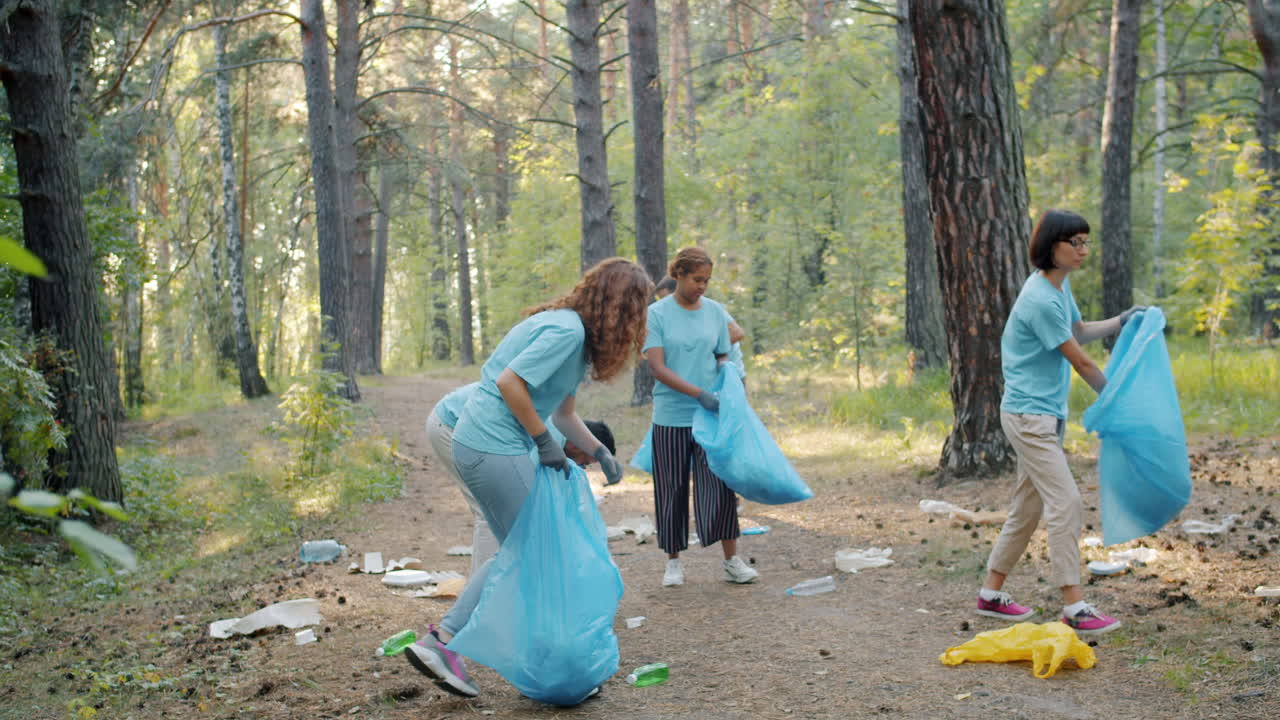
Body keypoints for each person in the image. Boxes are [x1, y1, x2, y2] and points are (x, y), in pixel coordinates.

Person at [404, 257, 652, 698]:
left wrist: (598, 451)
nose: (637, 325)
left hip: (494, 443)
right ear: (620, 308)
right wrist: (544, 442)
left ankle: (537, 663)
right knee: (523, 550)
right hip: (492, 444)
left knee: (521, 552)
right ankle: (442, 642)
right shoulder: (566, 332)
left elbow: (565, 412)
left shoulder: (575, 338)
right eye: (637, 312)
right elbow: (509, 383)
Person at [975, 209, 1144, 636]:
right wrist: (1118, 401)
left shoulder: (1056, 288)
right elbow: (1081, 361)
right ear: (1054, 246)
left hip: (1043, 413)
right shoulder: (1040, 299)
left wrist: (1123, 320)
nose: (1084, 250)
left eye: (1087, 241)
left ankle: (991, 594)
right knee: (1065, 502)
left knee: (1028, 507)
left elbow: (1080, 331)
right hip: (1029, 417)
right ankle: (1074, 605)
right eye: (1077, 242)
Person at [645, 247, 757, 587]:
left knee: (719, 487)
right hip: (670, 415)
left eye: (707, 280)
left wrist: (729, 382)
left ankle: (731, 560)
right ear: (678, 274)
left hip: (711, 416)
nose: (702, 286)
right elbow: (657, 367)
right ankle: (673, 563)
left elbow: (723, 354)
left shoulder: (715, 312)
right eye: (696, 279)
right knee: (671, 488)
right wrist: (698, 394)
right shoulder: (657, 314)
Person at [426, 383, 617, 575]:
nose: (582, 467)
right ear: (577, 445)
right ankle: (486, 594)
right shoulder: (552, 436)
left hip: (464, 422)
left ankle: (495, 583)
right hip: (451, 425)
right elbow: (525, 485)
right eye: (585, 460)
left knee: (499, 511)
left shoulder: (557, 427)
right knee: (492, 510)